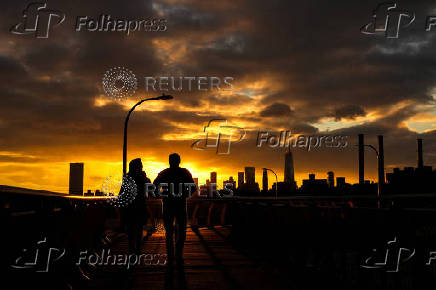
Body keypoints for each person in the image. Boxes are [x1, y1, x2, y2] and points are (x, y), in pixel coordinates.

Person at [153, 153, 196, 266]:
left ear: (169, 161)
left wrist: (160, 195)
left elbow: (154, 185)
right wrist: (186, 194)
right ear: (179, 161)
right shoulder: (185, 172)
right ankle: (178, 254)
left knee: (169, 231)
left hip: (167, 204)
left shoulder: (164, 173)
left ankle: (170, 255)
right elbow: (193, 187)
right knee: (181, 230)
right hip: (181, 204)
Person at [124, 158, 150, 254]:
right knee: (139, 229)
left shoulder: (127, 178)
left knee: (131, 230)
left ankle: (131, 249)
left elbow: (122, 193)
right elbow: (150, 189)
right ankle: (138, 249)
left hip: (130, 208)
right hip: (140, 207)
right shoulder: (142, 178)